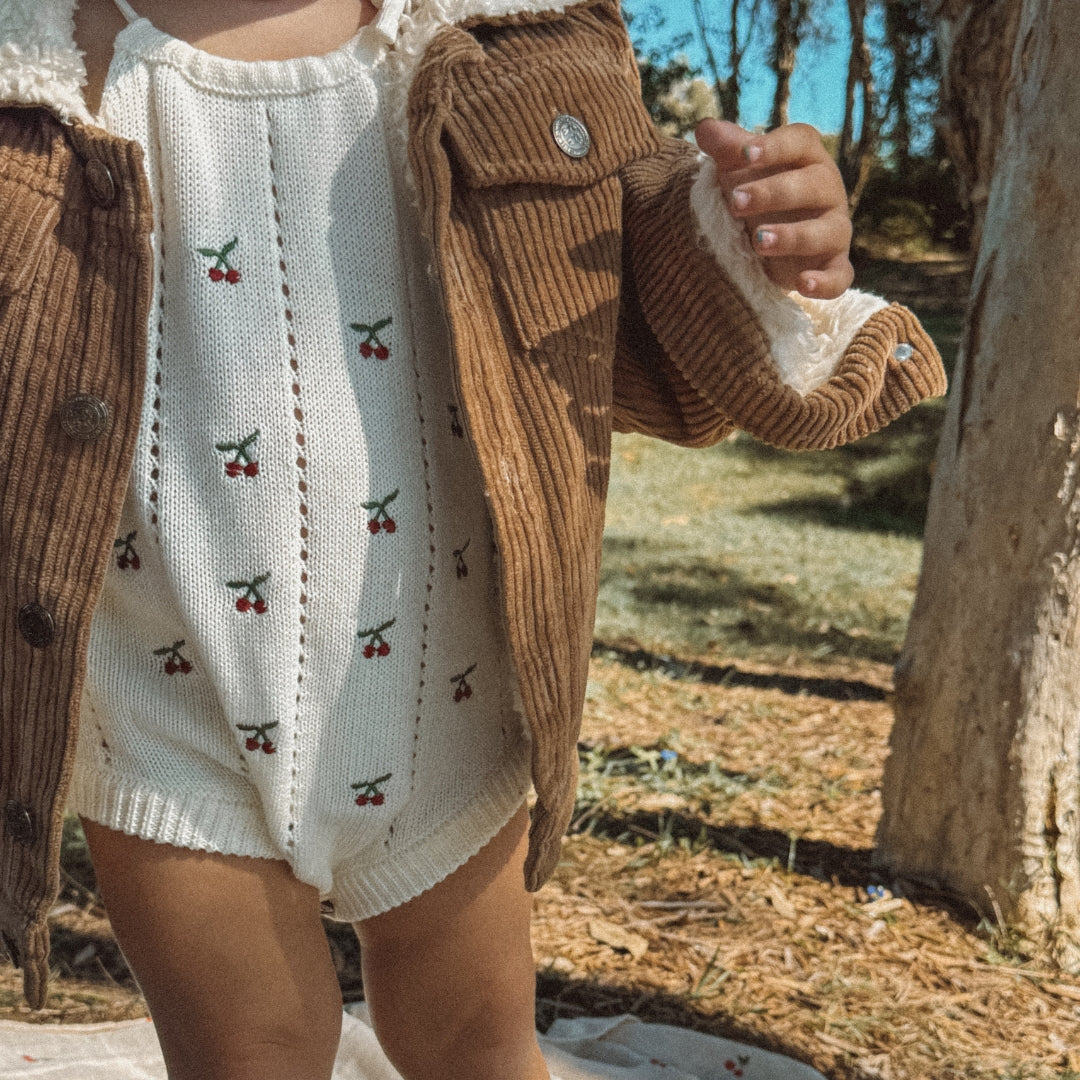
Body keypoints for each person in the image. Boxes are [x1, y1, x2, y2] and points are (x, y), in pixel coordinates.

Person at [0, 1, 945, 1077]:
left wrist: (749, 240)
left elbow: (621, 319)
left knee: (475, 1042)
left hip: (443, 688)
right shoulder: (32, 62)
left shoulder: (509, 41)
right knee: (250, 1053)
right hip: (165, 699)